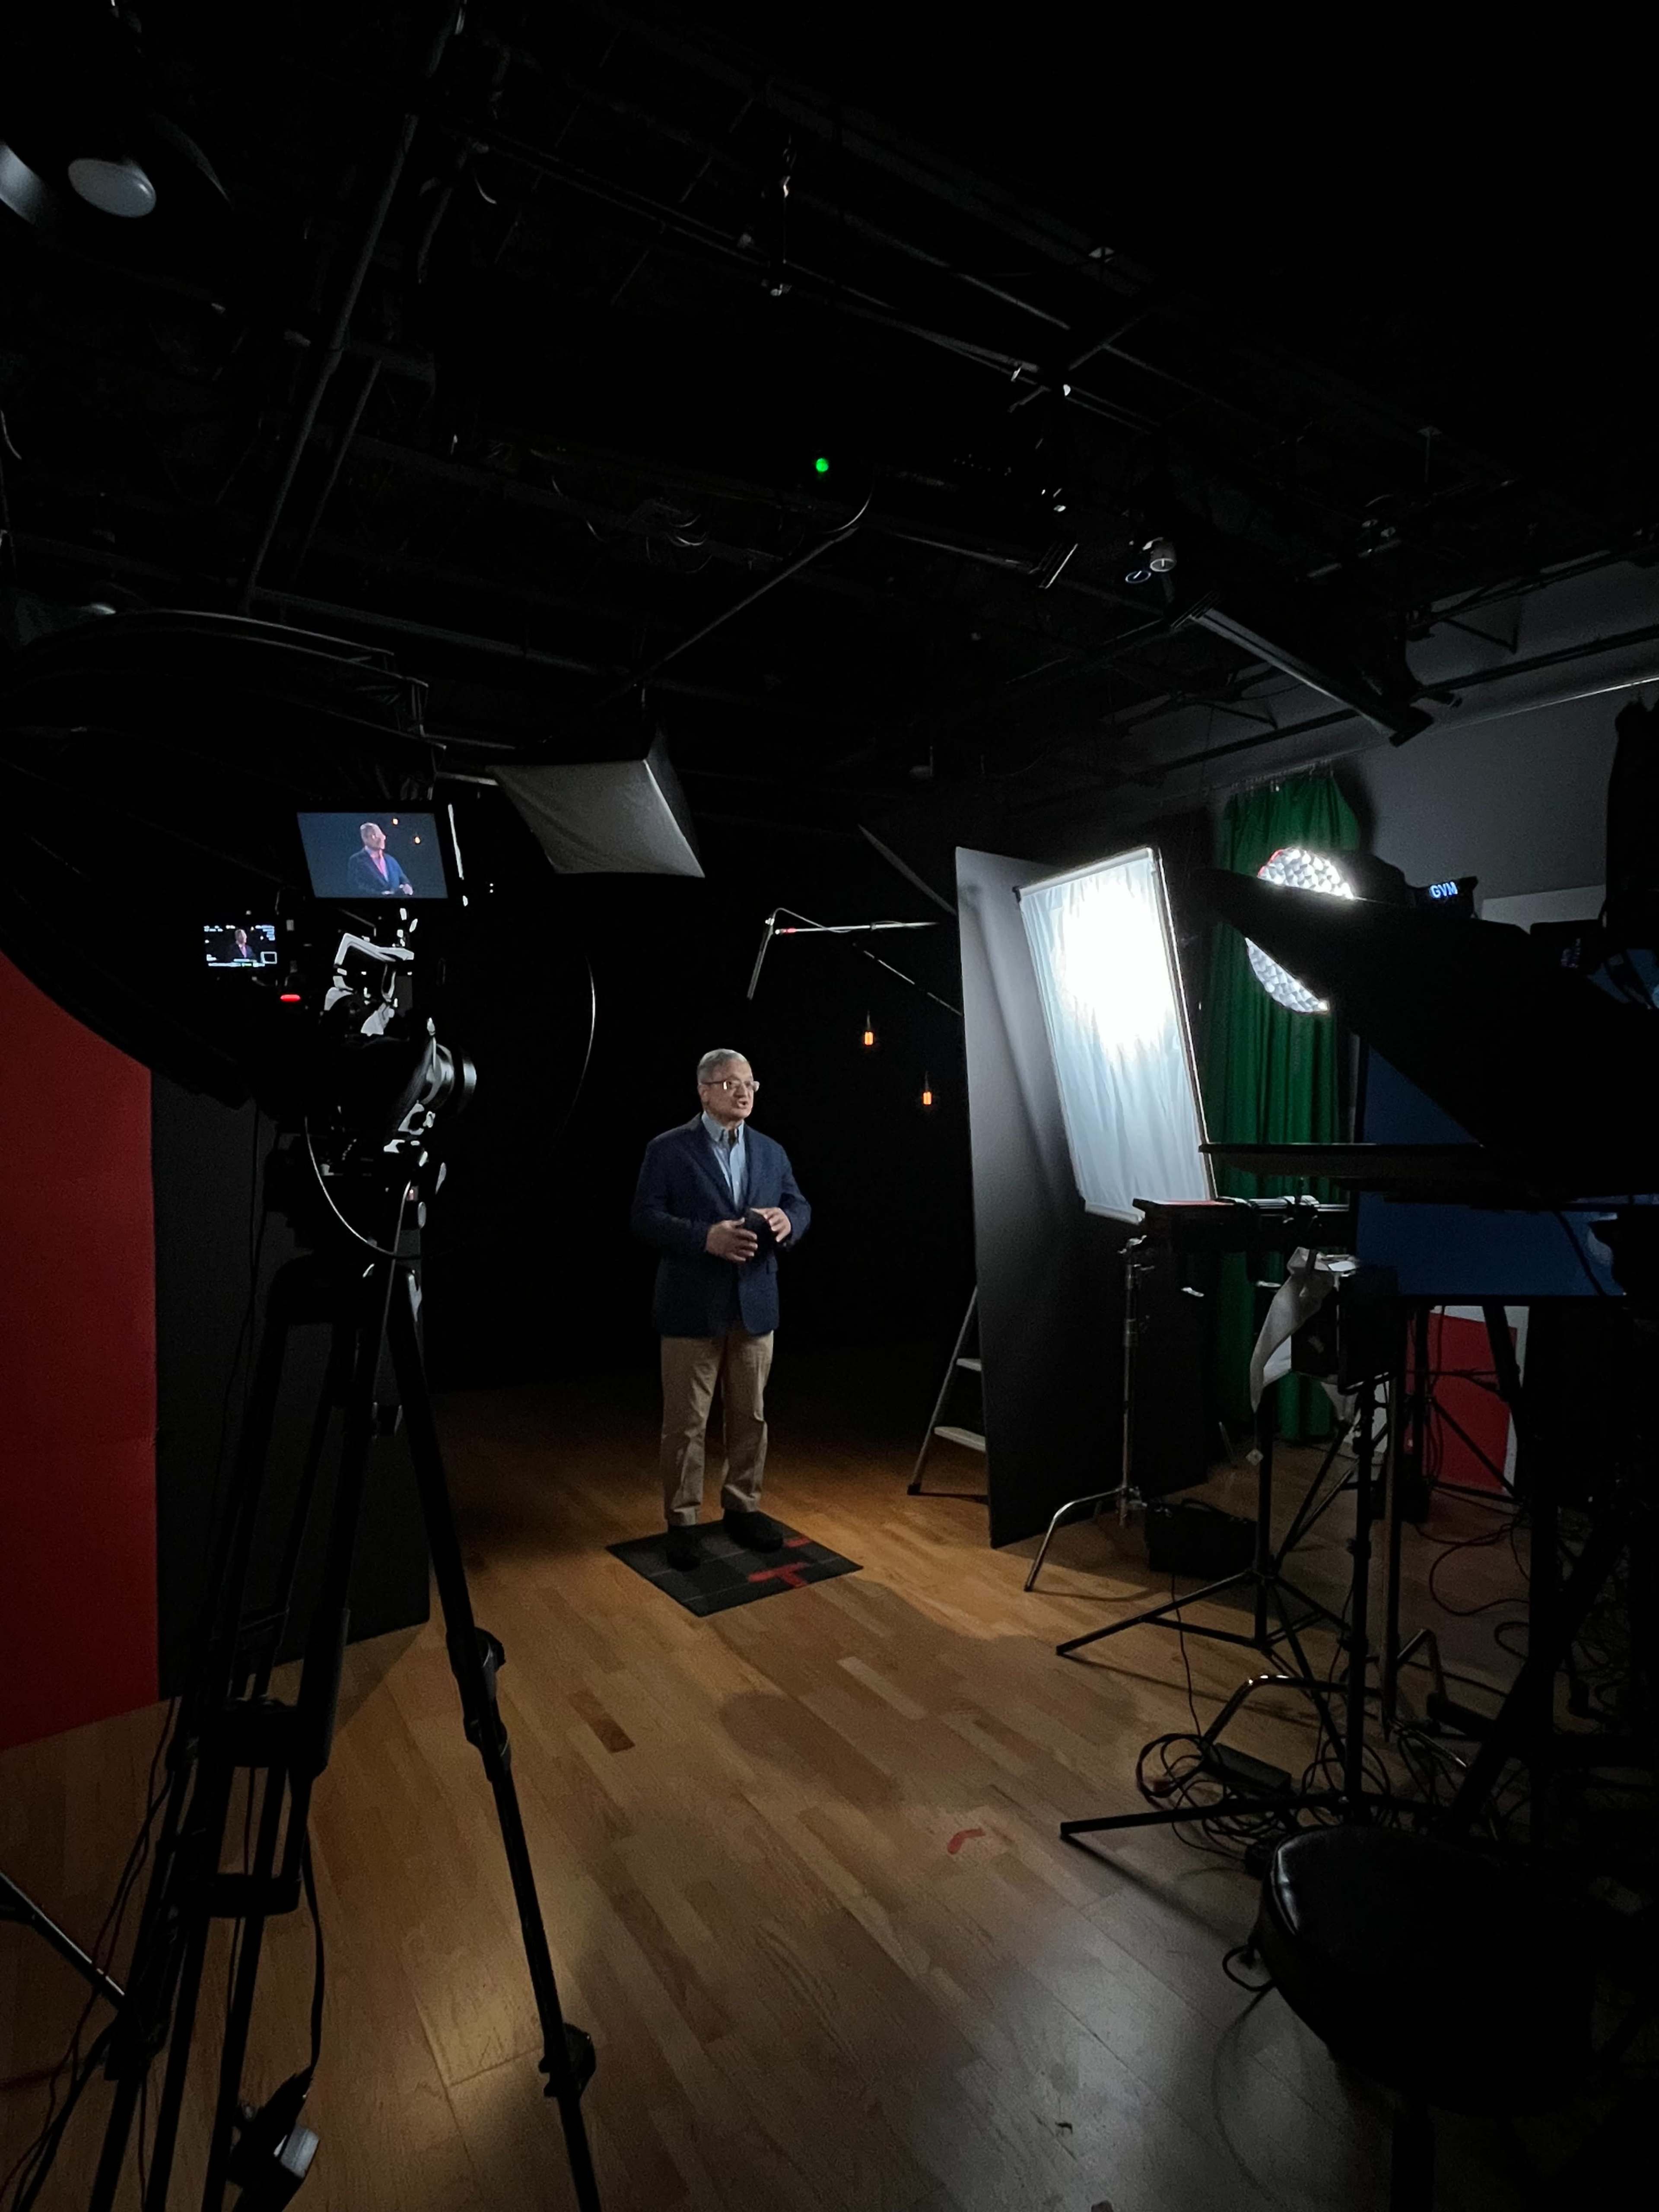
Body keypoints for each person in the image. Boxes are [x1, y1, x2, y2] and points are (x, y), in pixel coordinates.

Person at [631, 1049, 810, 1572]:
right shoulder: (668, 1149)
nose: (744, 1090)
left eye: (750, 1081)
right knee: (686, 1422)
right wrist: (704, 1237)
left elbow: (800, 1203)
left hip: (756, 1302)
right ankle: (683, 1521)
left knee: (750, 1415)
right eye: (730, 1082)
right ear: (704, 1090)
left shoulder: (771, 1151)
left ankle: (743, 1507)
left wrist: (788, 1222)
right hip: (691, 1305)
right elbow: (643, 1217)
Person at [346, 821, 412, 897]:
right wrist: (381, 896)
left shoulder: (391, 860)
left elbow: (403, 879)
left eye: (381, 834)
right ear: (365, 839)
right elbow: (356, 888)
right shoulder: (357, 861)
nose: (382, 838)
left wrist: (407, 886)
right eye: (375, 835)